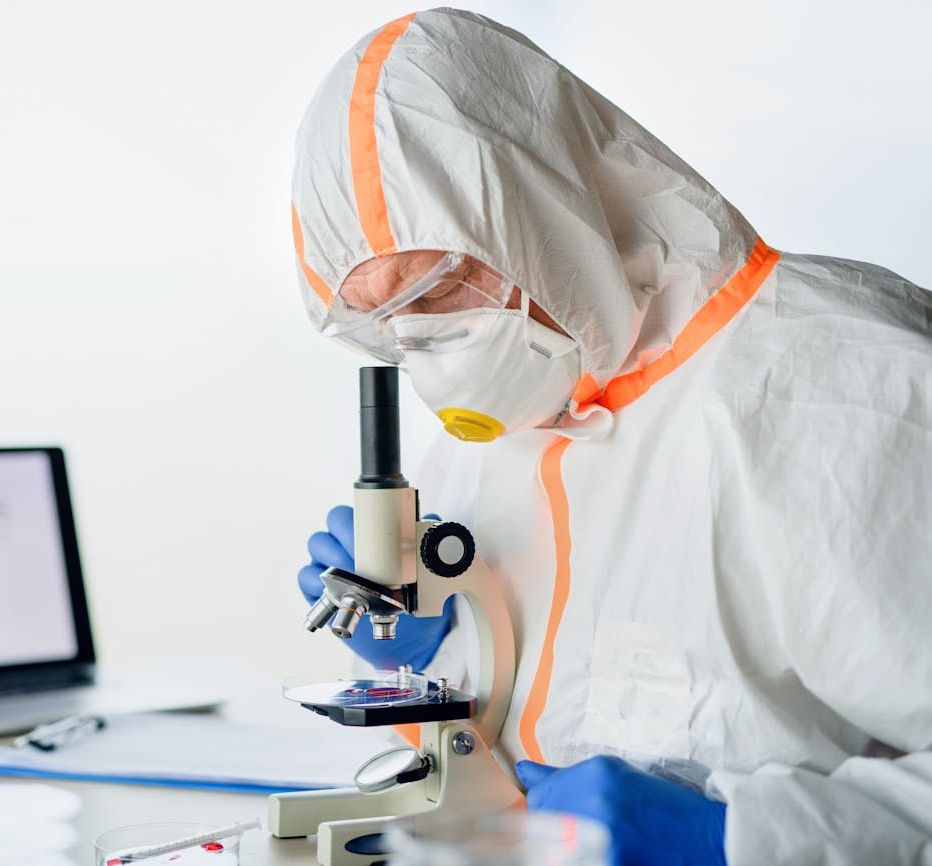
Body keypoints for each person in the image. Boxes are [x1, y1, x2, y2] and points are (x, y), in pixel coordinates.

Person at [290, 9, 932, 866]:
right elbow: (535, 709)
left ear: (530, 206)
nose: (423, 348)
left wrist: (738, 840)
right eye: (383, 321)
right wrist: (429, 655)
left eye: (436, 290)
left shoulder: (845, 390)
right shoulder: (503, 407)